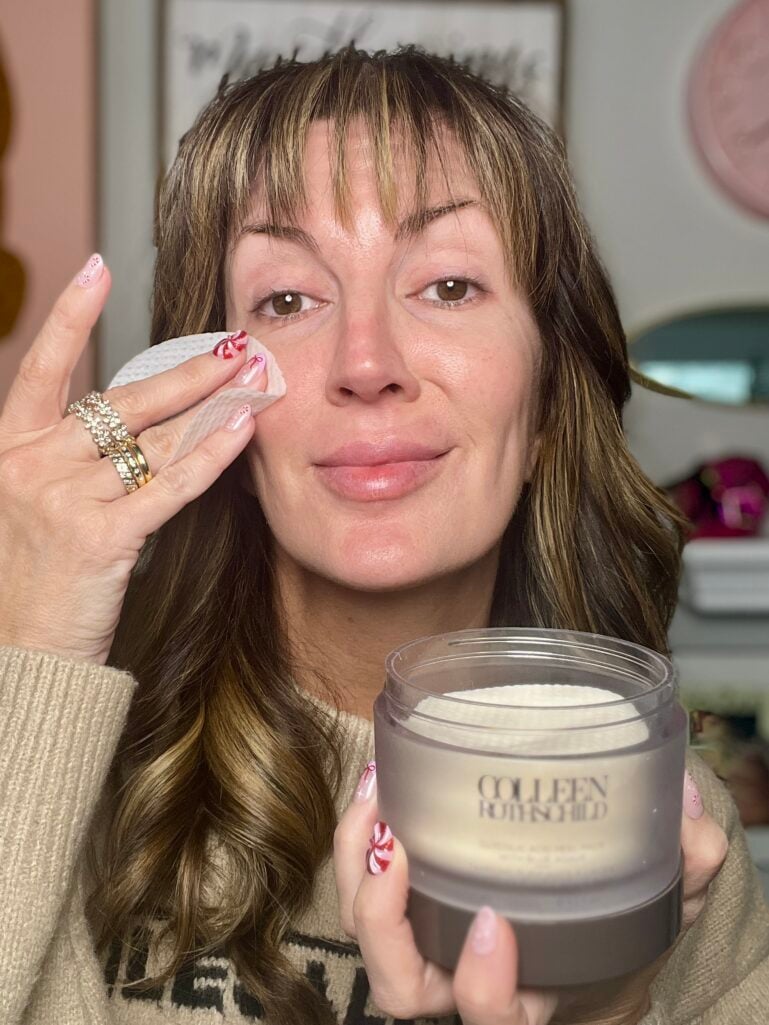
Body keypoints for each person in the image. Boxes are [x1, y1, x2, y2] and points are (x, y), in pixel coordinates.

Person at [0, 44, 766, 1025]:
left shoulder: (672, 831)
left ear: (541, 408)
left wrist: (603, 1010)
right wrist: (29, 657)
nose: (367, 361)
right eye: (287, 299)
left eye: (449, 285)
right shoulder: (60, 743)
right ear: (206, 400)